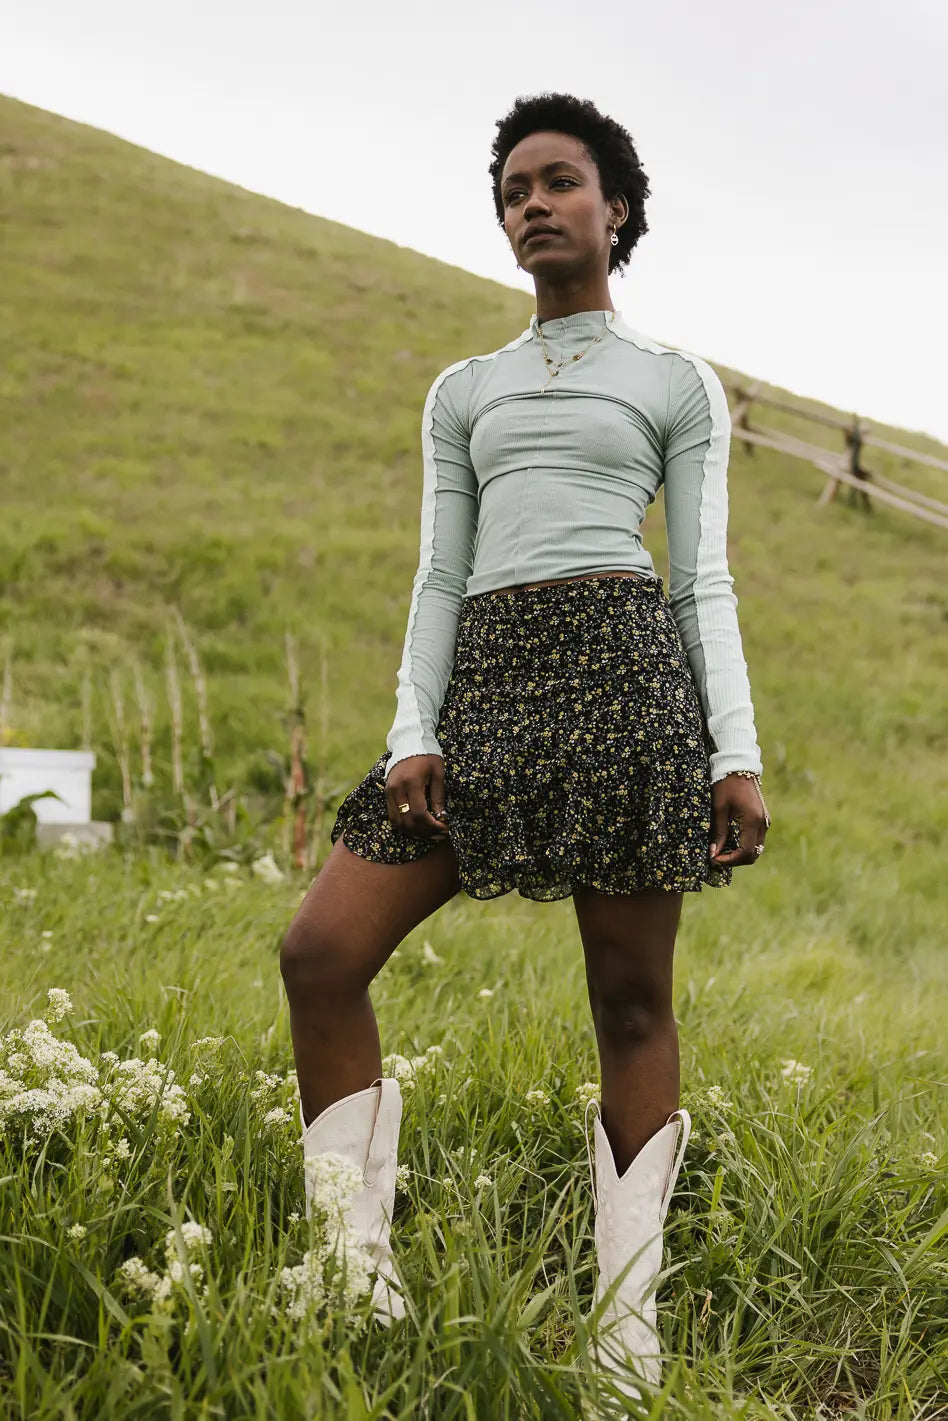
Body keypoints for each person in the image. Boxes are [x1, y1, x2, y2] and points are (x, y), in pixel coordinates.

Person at [279, 90, 770, 1400]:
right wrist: (411, 730)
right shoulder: (466, 390)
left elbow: (703, 581)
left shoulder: (675, 383)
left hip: (623, 683)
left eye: (559, 181)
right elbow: (438, 576)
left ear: (616, 208)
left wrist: (738, 750)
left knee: (628, 1000)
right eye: (513, 191)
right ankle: (355, 1280)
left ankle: (624, 1335)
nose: (533, 203)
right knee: (321, 950)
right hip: (481, 689)